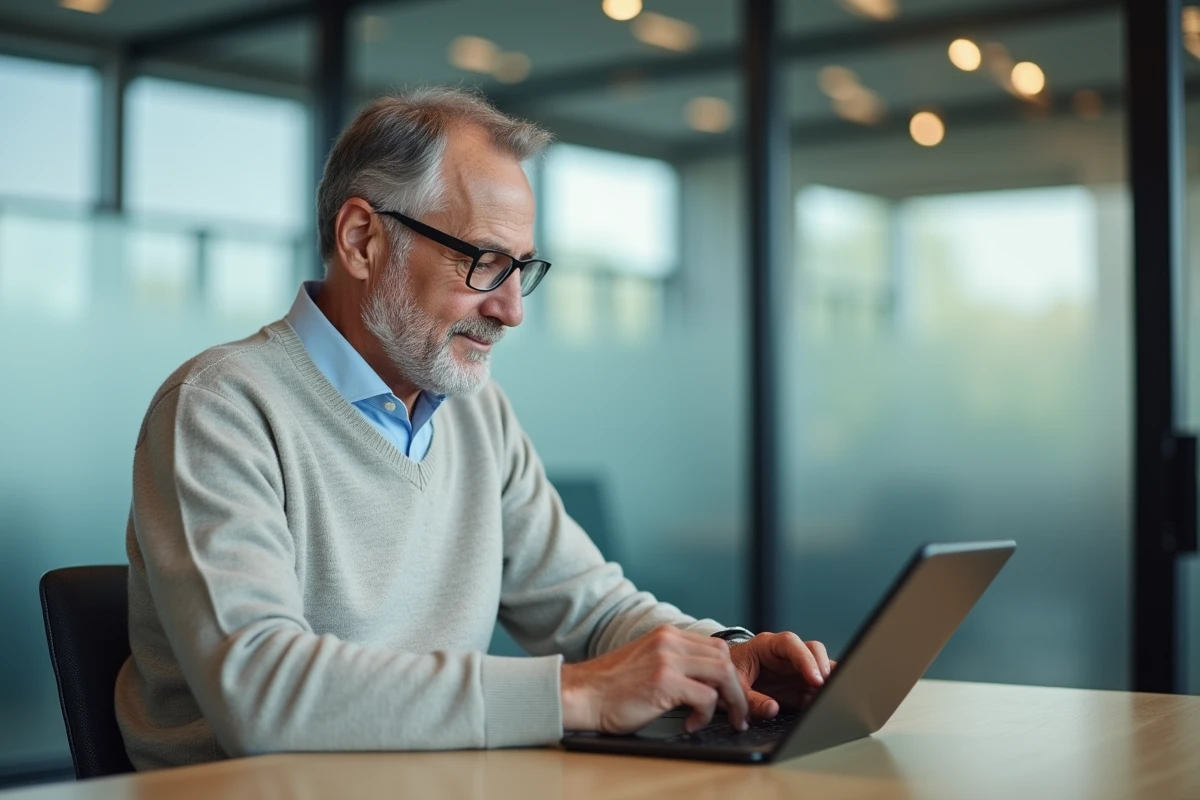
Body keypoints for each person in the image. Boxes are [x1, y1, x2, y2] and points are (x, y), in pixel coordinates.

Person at [115, 87, 831, 771]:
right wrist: (577, 694)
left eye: (521, 269)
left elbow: (589, 609)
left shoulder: (477, 413)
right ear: (362, 240)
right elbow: (258, 690)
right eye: (485, 262)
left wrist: (720, 657)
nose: (511, 310)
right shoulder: (222, 406)